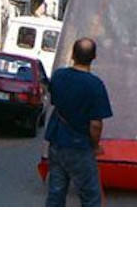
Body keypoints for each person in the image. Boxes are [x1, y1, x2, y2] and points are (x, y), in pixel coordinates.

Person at [44, 37, 112, 206]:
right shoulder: (95, 85)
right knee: (91, 197)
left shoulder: (59, 76)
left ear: (73, 55)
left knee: (56, 193)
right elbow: (95, 124)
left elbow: (54, 102)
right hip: (79, 147)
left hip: (56, 142)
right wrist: (95, 145)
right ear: (94, 57)